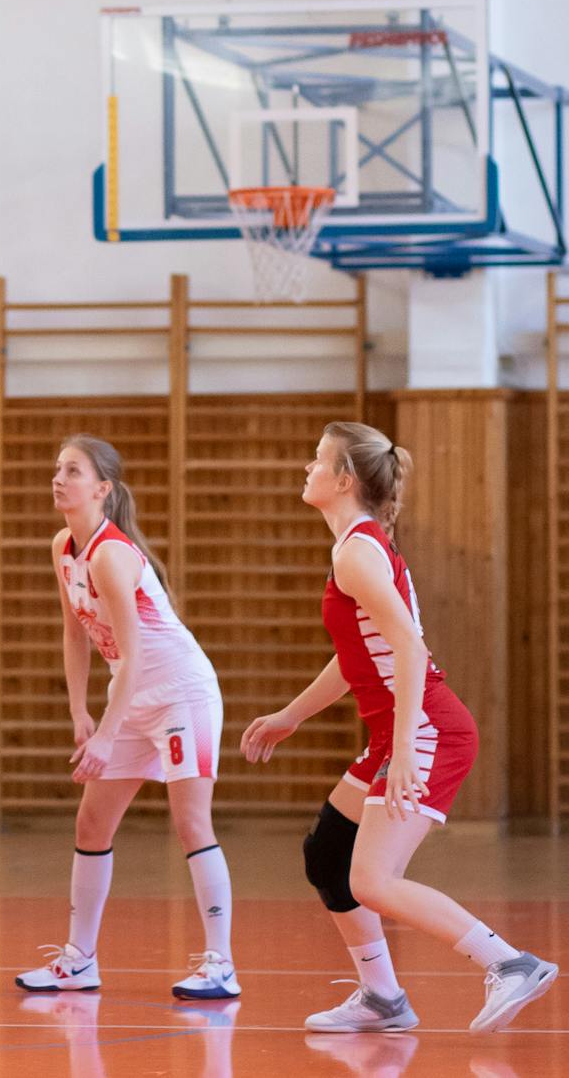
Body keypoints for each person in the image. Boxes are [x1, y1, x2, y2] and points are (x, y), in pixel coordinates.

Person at [244, 423, 557, 1034]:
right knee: (328, 856)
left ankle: (511, 963)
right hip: (399, 729)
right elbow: (358, 655)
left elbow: (411, 652)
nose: (305, 470)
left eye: (317, 460)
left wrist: (409, 746)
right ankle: (383, 998)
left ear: (343, 480)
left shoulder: (357, 552)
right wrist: (291, 716)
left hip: (427, 726)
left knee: (373, 879)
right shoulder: (357, 547)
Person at [15, 435, 236, 998]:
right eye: (56, 468)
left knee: (191, 823)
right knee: (92, 824)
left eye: (72, 470)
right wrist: (80, 713)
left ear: (103, 489)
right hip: (129, 697)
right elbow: (76, 634)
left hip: (179, 694)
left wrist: (108, 735)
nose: (58, 479)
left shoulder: (112, 555)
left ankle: (221, 964)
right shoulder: (63, 545)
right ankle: (80, 960)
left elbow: (135, 656)